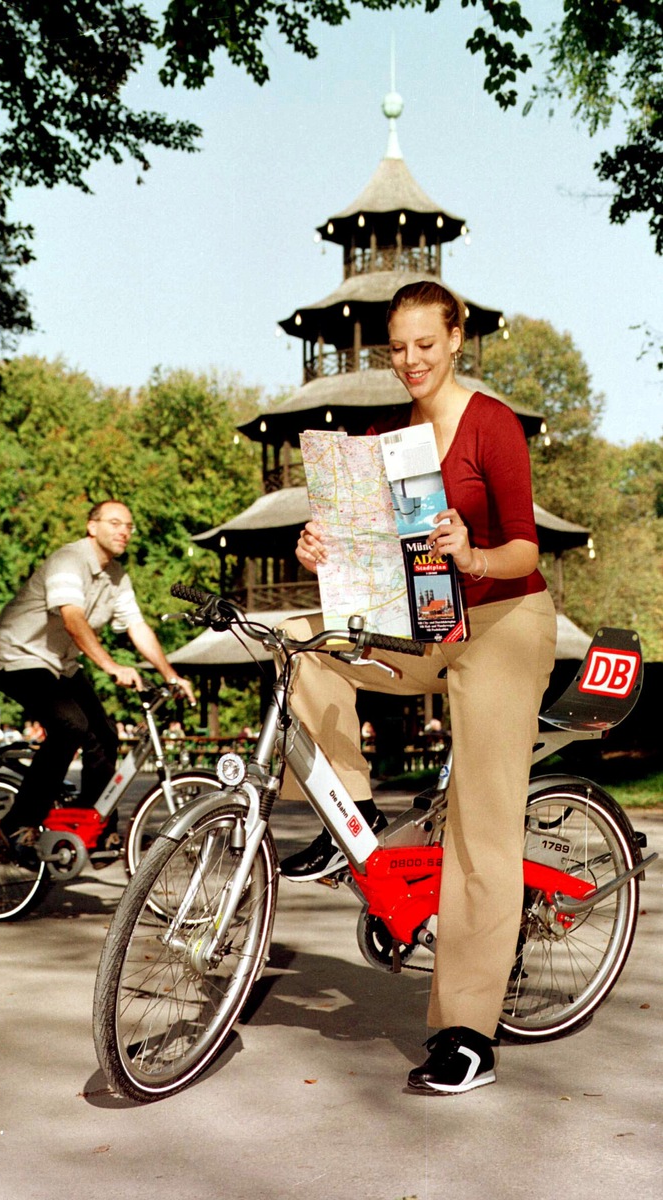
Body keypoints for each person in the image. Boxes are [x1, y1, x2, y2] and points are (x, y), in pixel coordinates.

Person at [278, 281, 557, 1095]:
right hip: (430, 625)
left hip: (506, 622)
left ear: (456, 336)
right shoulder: (385, 440)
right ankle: (352, 814)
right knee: (300, 641)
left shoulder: (491, 424)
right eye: (397, 347)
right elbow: (369, 563)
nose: (410, 361)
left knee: (483, 818)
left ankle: (469, 1033)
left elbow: (525, 552)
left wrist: (471, 552)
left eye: (425, 344)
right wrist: (318, 545)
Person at [0, 499, 194, 849]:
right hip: (17, 658)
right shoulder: (69, 560)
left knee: (105, 734)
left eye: (129, 526)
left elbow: (137, 627)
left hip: (59, 665)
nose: (123, 531)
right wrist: (112, 667)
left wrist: (170, 674)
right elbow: (73, 620)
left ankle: (93, 825)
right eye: (114, 523)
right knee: (71, 725)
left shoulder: (117, 575)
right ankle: (17, 823)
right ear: (91, 526)